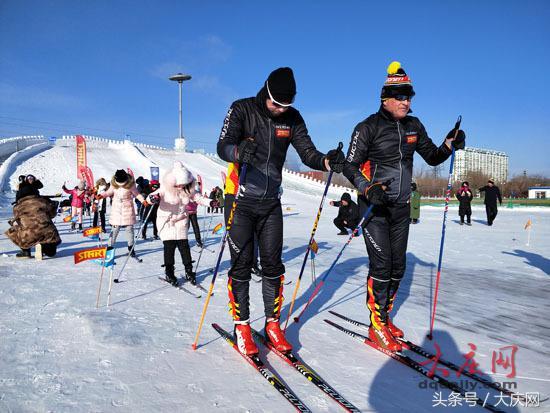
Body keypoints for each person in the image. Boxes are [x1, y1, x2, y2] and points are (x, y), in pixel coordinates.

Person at [217, 66, 345, 355]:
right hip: (239, 199)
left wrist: (327, 161)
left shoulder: (293, 118)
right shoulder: (242, 109)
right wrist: (238, 153)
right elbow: (222, 145)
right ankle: (243, 326)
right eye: (275, 103)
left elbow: (308, 153)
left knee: (273, 267)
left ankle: (272, 325)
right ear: (266, 92)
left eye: (285, 106)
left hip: (271, 201)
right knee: (242, 265)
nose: (278, 110)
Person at [342, 61, 466, 351]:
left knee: (398, 267)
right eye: (400, 96)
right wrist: (367, 188)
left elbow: (433, 157)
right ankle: (376, 326)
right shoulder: (367, 127)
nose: (406, 101)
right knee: (382, 265)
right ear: (385, 98)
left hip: (401, 208)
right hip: (374, 209)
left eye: (409, 96)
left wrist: (450, 142)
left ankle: (384, 317)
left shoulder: (414, 125)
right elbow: (349, 167)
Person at [144, 162, 213, 285]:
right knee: (169, 246)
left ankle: (189, 271)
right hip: (166, 220)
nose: (181, 185)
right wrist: (152, 199)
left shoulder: (188, 188)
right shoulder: (165, 188)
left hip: (181, 219)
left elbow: (199, 198)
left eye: (184, 183)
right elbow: (151, 196)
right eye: (179, 183)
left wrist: (211, 202)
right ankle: (169, 272)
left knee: (184, 246)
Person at [96, 169, 146, 257]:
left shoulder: (130, 185)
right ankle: (109, 248)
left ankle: (131, 249)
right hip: (117, 210)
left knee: (129, 230)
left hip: (128, 210)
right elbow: (108, 192)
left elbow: (137, 194)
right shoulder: (114, 184)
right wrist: (101, 195)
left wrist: (143, 201)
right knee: (114, 230)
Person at [6, 190, 61, 259]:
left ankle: (26, 252)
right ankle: (45, 248)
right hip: (49, 234)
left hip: (30, 235)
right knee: (51, 253)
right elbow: (52, 215)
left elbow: (18, 222)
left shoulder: (17, 207)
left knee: (13, 229)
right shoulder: (42, 201)